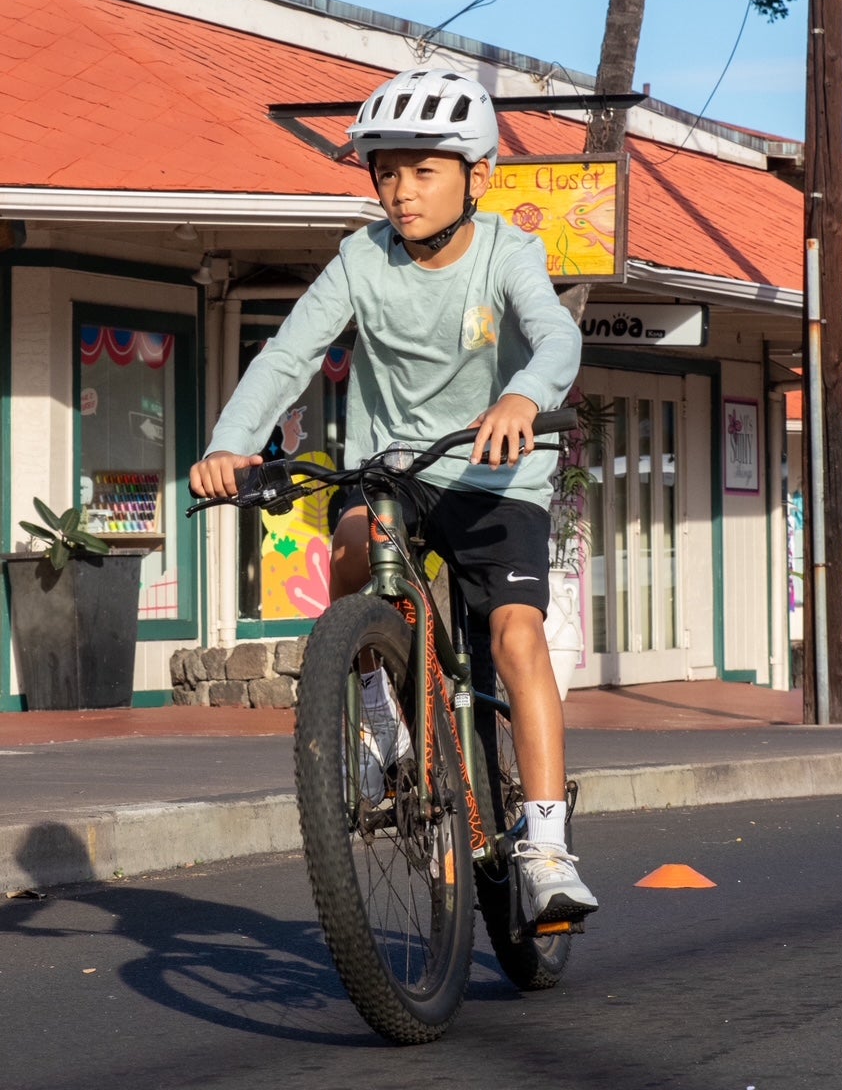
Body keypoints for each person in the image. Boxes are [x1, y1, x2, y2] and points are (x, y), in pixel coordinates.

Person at [189, 68, 598, 926]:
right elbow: (291, 354)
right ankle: (380, 706)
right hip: (394, 471)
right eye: (386, 172)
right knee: (346, 547)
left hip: (495, 473)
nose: (401, 191)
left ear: (476, 177)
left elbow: (556, 333)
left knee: (517, 634)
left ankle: (549, 845)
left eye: (423, 171)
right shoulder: (359, 259)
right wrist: (232, 441)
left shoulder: (508, 252)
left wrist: (523, 396)